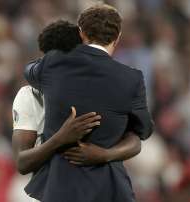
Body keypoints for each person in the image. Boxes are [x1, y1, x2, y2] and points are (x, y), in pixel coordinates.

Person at [25, 4, 153, 202]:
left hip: (60, 188)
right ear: (117, 37)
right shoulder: (131, 78)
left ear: (81, 33)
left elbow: (30, 71)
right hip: (110, 190)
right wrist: (105, 153)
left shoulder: (53, 62)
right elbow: (143, 131)